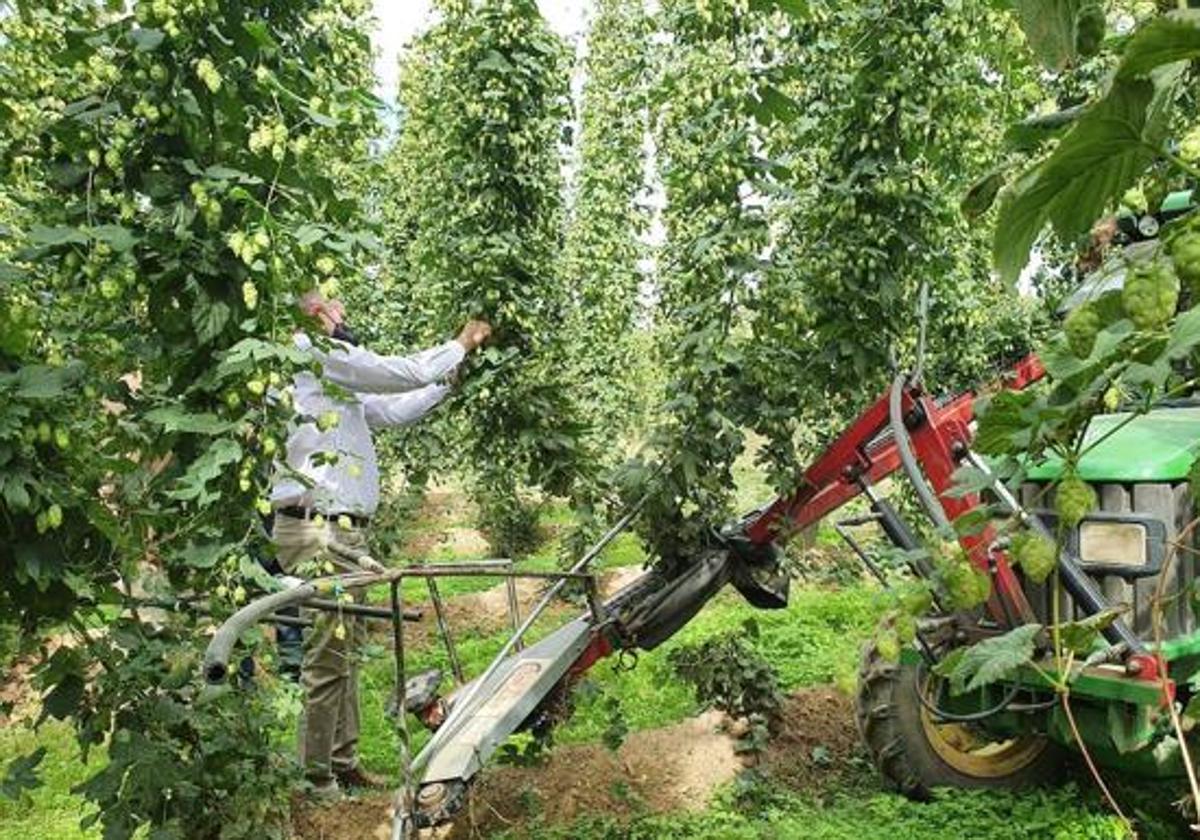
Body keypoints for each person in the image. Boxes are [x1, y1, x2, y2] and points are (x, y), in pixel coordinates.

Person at [270, 289, 491, 798]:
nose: (344, 314)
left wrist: (447, 384)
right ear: (310, 313)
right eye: (334, 306)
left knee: (342, 650)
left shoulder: (327, 381)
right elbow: (405, 372)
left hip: (338, 529)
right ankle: (316, 776)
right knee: (328, 654)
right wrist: (461, 343)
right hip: (317, 528)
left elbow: (388, 411)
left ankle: (341, 760)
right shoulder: (311, 353)